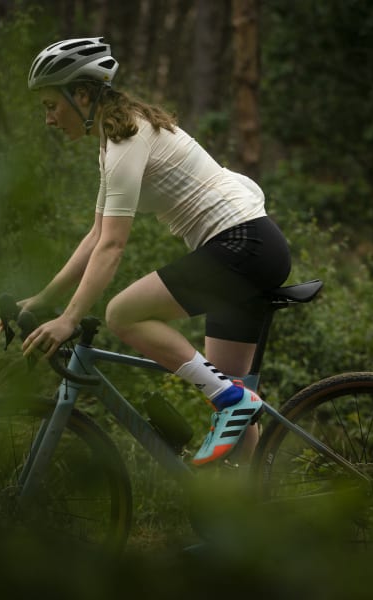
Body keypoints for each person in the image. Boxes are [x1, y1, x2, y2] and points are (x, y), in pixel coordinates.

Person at [21, 37, 291, 466]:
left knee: (122, 314)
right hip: (247, 249)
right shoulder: (114, 142)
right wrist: (45, 300)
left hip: (245, 245)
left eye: (52, 104)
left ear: (84, 95)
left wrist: (70, 318)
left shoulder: (129, 139)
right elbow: (95, 236)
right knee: (227, 391)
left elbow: (112, 245)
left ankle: (234, 403)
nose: (49, 119)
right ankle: (251, 513)